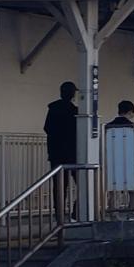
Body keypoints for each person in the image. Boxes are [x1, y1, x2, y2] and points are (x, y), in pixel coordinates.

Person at [44, 81, 81, 219]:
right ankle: (76, 212)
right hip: (72, 153)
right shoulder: (75, 111)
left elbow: (47, 128)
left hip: (55, 153)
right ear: (73, 94)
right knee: (83, 183)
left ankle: (59, 214)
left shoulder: (53, 108)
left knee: (59, 186)